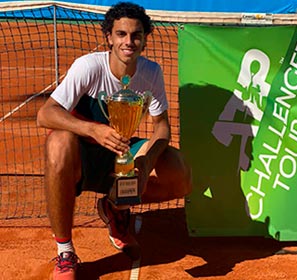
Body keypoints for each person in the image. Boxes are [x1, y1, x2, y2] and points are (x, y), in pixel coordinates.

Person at [36, 2, 192, 279]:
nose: (128, 41)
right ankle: (65, 251)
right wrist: (93, 130)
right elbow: (46, 114)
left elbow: (162, 128)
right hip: (80, 154)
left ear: (145, 39)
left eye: (136, 35)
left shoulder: (151, 72)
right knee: (57, 143)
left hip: (119, 153)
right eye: (121, 34)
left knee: (178, 171)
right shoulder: (88, 67)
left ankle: (115, 205)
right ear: (109, 37)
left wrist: (145, 163)